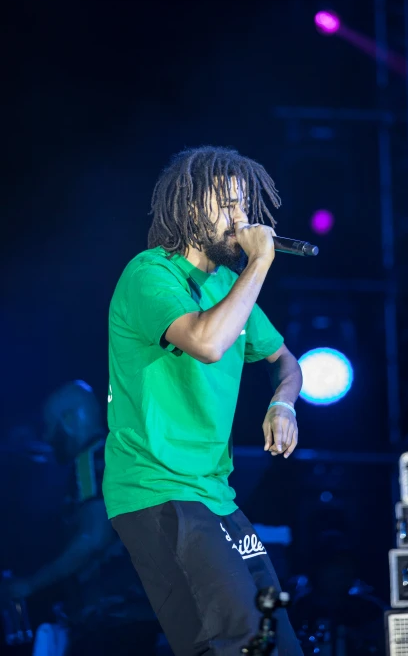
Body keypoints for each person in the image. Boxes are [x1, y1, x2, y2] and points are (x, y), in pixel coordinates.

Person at [104, 146, 304, 656]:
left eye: (245, 206)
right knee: (238, 639)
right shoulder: (150, 275)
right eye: (227, 206)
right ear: (191, 208)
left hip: (214, 493)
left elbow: (287, 362)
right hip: (156, 488)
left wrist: (284, 403)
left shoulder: (226, 285)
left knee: (274, 638)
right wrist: (261, 260)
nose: (241, 219)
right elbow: (207, 342)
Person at [0, 380, 157, 655]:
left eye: (50, 426)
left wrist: (30, 585)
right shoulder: (123, 454)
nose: (47, 437)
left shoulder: (88, 460)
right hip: (143, 615)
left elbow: (93, 538)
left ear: (70, 420)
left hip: (111, 618)